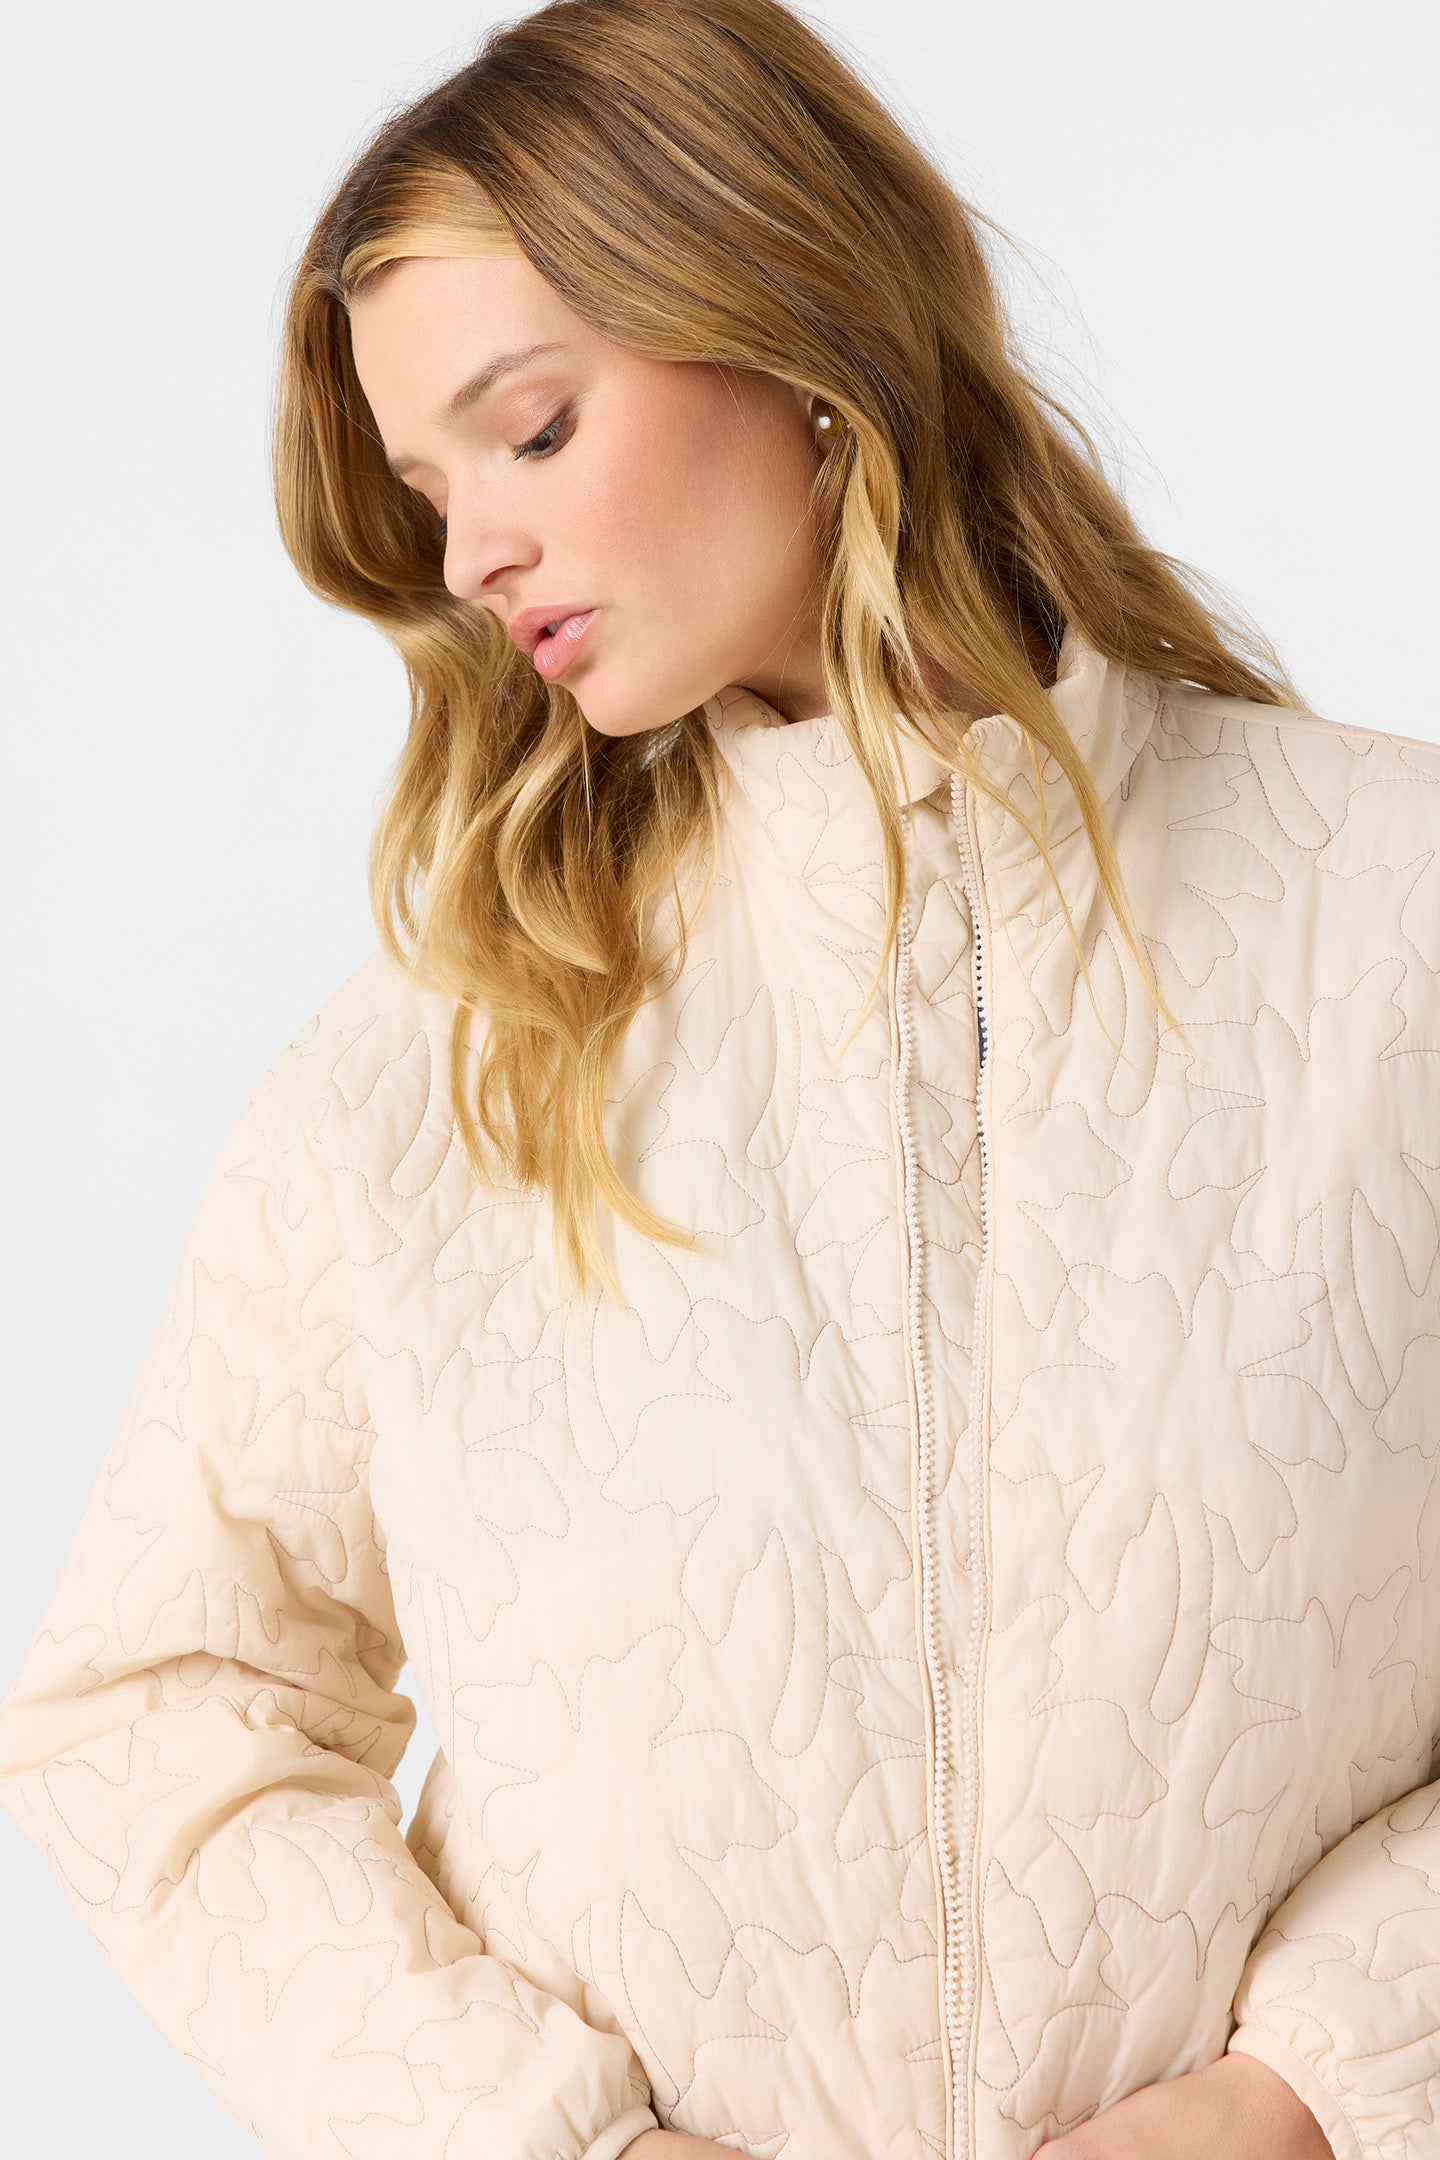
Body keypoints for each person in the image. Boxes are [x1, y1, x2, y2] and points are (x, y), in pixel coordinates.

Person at [1, 2, 1434, 2157]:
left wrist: (1310, 2088)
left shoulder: (1395, 918)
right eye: (427, 489)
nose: (467, 554)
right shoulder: (429, 1084)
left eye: (530, 429)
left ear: (797, 327)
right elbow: (160, 1715)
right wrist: (560, 2145)